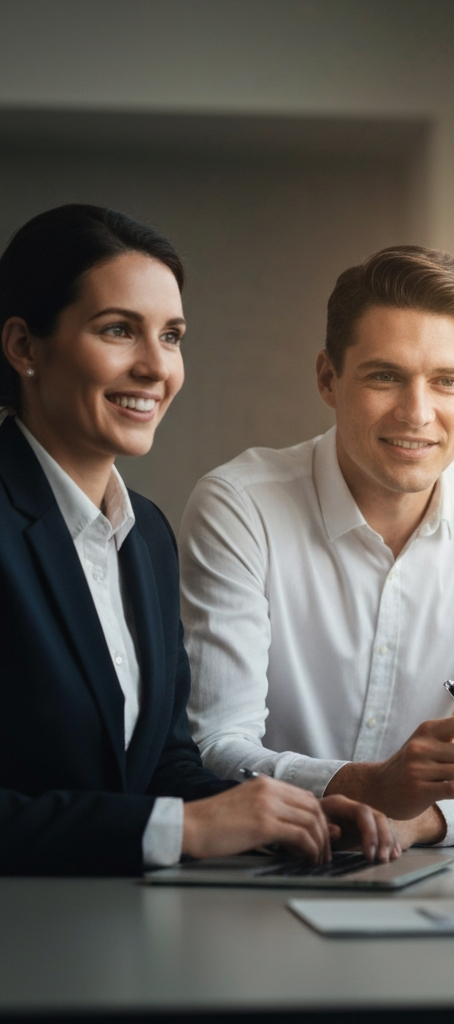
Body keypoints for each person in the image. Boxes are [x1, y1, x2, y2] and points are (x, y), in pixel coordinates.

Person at [0, 205, 399, 875]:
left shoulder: (146, 534)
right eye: (119, 330)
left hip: (126, 933)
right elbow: (161, 814)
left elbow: (161, 764)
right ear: (24, 346)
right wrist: (178, 827)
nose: (157, 367)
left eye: (173, 336)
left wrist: (289, 811)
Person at [180, 246, 454, 847]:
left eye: (445, 381)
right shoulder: (240, 506)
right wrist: (366, 786)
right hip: (253, 873)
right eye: (385, 376)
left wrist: (421, 820)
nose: (417, 413)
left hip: (422, 875)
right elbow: (212, 751)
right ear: (328, 378)